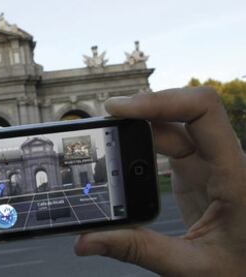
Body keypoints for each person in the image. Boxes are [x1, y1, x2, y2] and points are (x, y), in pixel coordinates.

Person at [74, 87, 246, 275]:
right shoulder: (101, 163)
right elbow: (94, 180)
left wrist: (86, 190)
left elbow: (93, 180)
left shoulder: (99, 166)